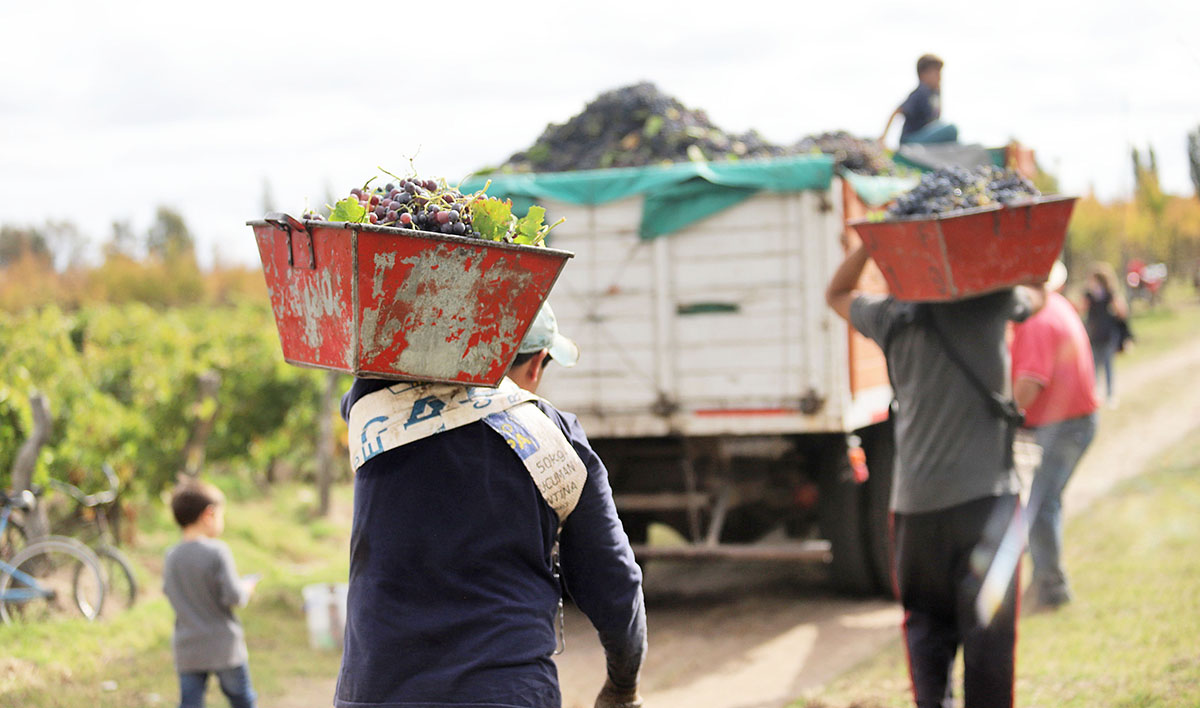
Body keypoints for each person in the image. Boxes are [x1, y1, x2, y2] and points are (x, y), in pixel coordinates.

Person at [334, 303, 646, 708]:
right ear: (537, 363)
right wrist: (623, 684)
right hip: (505, 693)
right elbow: (615, 582)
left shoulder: (374, 413)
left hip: (374, 694)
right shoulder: (557, 440)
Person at [826, 244, 1045, 708]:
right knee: (989, 644)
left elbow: (837, 292)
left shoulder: (890, 315)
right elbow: (1040, 290)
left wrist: (870, 245)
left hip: (915, 512)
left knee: (926, 632)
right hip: (988, 505)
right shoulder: (994, 302)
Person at [1011, 262, 1100, 611]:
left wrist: (1001, 416)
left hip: (1065, 423)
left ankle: (1050, 589)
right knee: (1045, 501)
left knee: (1042, 504)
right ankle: (1046, 583)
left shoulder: (1035, 320)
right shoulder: (1057, 305)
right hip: (1072, 421)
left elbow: (1029, 384)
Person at [163, 480, 259, 708]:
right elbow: (234, 596)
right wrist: (247, 587)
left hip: (188, 648)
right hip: (224, 646)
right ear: (209, 514)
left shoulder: (171, 556)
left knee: (190, 703)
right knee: (242, 699)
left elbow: (169, 591)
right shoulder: (217, 551)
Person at [881, 54, 957, 147]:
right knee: (952, 129)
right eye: (936, 73)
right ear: (923, 75)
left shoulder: (933, 94)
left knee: (952, 138)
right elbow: (897, 111)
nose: (940, 78)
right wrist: (883, 138)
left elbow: (936, 120)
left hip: (923, 138)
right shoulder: (920, 92)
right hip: (910, 140)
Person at [1080, 262, 1128, 405]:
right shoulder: (1090, 294)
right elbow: (1082, 308)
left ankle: (1108, 394)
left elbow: (1121, 311)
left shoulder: (1109, 293)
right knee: (1095, 364)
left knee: (1106, 364)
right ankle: (1095, 393)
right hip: (1095, 333)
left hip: (1105, 332)